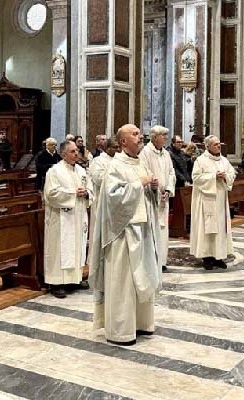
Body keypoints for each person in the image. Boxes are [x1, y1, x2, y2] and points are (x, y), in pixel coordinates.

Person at [88, 124, 161, 346]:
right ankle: (120, 330)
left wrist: (153, 188)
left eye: (140, 134)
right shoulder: (115, 166)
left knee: (143, 276)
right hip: (122, 233)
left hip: (142, 229)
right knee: (124, 283)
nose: (141, 138)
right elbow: (113, 197)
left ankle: (141, 323)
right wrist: (140, 184)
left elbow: (144, 193)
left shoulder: (140, 163)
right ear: (123, 142)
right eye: (135, 134)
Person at [43, 141, 93, 299]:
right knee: (60, 248)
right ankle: (57, 282)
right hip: (61, 217)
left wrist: (86, 193)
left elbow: (91, 189)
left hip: (78, 216)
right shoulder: (55, 171)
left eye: (77, 151)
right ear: (63, 154)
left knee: (77, 246)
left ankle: (74, 279)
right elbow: (51, 194)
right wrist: (73, 193)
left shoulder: (81, 170)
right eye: (72, 151)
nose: (76, 154)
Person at [189, 135, 236, 270]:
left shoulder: (224, 160)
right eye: (215, 144)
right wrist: (213, 176)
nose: (218, 146)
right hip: (206, 200)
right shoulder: (201, 161)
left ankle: (218, 256)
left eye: (219, 144)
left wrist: (225, 176)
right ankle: (207, 257)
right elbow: (196, 178)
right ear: (207, 146)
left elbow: (232, 174)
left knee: (220, 228)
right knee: (207, 229)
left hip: (220, 200)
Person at [140, 126, 176, 273]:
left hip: (163, 198)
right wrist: (154, 187)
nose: (165, 138)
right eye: (163, 135)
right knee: (151, 229)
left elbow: (171, 173)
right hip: (151, 197)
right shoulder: (145, 153)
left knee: (162, 230)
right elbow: (143, 172)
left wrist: (168, 189)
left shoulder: (166, 154)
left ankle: (161, 260)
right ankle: (151, 261)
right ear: (154, 137)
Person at [87, 137, 119, 261]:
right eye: (115, 147)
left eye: (118, 147)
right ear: (107, 148)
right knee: (99, 234)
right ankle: (94, 261)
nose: (117, 150)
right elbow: (98, 178)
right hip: (101, 201)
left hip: (115, 203)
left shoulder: (119, 160)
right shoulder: (98, 161)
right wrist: (116, 177)